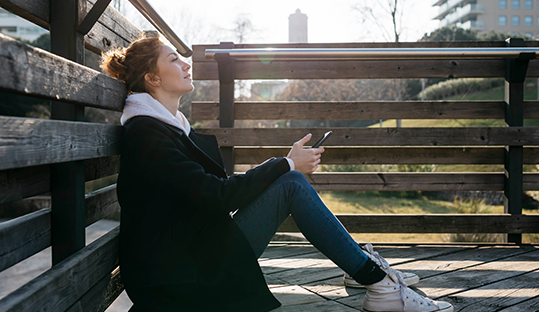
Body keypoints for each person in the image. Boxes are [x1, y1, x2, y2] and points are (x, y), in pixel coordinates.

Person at [101, 35, 454, 312]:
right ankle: (376, 282)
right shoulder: (147, 133)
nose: (187, 64)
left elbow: (209, 194)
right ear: (152, 78)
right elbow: (217, 194)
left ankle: (366, 271)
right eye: (173, 59)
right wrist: (284, 164)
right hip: (179, 281)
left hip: (190, 258)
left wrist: (284, 166)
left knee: (289, 181)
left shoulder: (164, 127)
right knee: (292, 183)